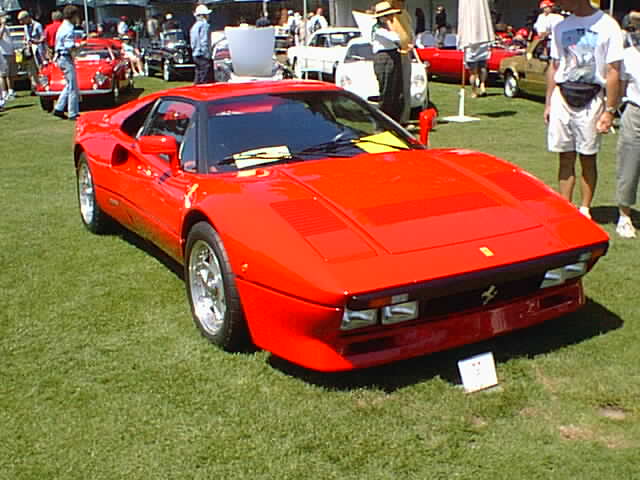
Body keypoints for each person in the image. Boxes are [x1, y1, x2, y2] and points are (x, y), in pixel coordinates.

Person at [544, 0, 624, 219]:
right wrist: (549, 102)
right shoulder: (560, 26)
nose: (559, 3)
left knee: (588, 156)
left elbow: (613, 70)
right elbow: (554, 65)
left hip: (592, 96)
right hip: (563, 95)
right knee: (565, 155)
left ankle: (585, 209)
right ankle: (565, 206)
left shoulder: (608, 25)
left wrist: (610, 110)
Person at [614, 12, 640, 238]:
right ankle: (624, 216)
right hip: (635, 113)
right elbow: (619, 89)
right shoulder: (628, 56)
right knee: (629, 167)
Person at [372, 1, 403, 122]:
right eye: (389, 15)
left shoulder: (386, 28)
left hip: (393, 55)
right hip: (384, 58)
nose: (392, 17)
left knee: (396, 91)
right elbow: (396, 38)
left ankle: (395, 121)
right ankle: (381, 123)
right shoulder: (378, 28)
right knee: (386, 92)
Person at [53, 5, 81, 120]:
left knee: (69, 85)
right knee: (73, 86)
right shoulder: (69, 28)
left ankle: (59, 108)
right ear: (73, 16)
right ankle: (72, 113)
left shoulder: (61, 26)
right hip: (65, 57)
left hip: (60, 57)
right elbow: (70, 47)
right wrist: (80, 45)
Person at [389, 0, 414, 123]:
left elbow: (409, 31)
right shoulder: (388, 17)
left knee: (406, 87)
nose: (402, 3)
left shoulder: (404, 14)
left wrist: (411, 43)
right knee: (394, 87)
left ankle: (404, 118)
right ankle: (395, 119)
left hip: (405, 54)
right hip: (394, 54)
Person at [18, 10, 45, 92]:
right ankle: (35, 87)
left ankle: (43, 85)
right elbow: (26, 36)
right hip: (29, 51)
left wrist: (38, 41)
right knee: (31, 70)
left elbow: (43, 37)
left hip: (38, 50)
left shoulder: (37, 25)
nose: (21, 22)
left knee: (40, 68)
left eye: (22, 20)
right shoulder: (25, 26)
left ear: (27, 18)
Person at [190, 4, 212, 85]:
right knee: (204, 77)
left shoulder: (194, 26)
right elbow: (204, 40)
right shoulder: (204, 25)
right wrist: (207, 55)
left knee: (198, 76)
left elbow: (193, 42)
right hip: (202, 54)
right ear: (204, 15)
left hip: (195, 54)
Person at [0, 10, 16, 102]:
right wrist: (2, 25)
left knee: (11, 73)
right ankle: (4, 92)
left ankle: (11, 91)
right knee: (3, 74)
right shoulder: (1, 27)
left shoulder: (7, 27)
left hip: (9, 52)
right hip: (2, 53)